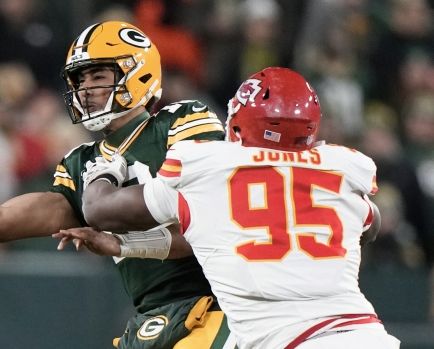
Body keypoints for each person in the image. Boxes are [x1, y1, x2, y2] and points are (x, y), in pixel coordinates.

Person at [0, 21, 234, 349]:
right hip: (155, 318)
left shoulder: (182, 121)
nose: (85, 90)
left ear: (140, 73)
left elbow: (207, 228)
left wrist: (121, 244)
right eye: (79, 80)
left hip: (219, 305)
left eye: (98, 76)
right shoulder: (81, 164)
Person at [55, 68, 402, 349]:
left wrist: (103, 170)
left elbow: (101, 210)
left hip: (284, 340)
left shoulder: (210, 169)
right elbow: (371, 225)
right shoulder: (338, 167)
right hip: (368, 336)